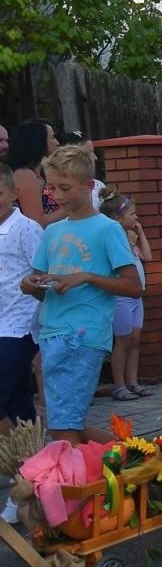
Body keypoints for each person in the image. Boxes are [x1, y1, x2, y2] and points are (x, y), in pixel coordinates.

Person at [20, 145, 140, 442]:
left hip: (84, 334)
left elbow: (133, 286)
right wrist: (32, 285)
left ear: (88, 186)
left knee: (64, 424)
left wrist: (85, 277)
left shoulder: (107, 229)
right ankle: (135, 457)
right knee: (62, 422)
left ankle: (78, 481)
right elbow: (42, 286)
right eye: (51, 188)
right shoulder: (52, 232)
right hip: (52, 332)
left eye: (65, 187)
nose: (57, 195)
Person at [0, 164, 43, 430]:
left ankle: (13, 459)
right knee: (18, 397)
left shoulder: (25, 227)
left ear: (14, 193)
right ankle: (31, 457)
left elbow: (42, 271)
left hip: (20, 325)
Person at [99, 190, 151, 402]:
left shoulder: (131, 237)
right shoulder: (115, 239)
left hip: (137, 298)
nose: (136, 218)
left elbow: (147, 256)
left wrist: (140, 234)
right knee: (123, 341)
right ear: (117, 219)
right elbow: (120, 262)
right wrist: (130, 242)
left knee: (135, 340)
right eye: (132, 214)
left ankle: (133, 381)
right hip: (121, 298)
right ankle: (119, 384)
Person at [9, 120, 58, 226]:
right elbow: (36, 221)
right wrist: (71, 208)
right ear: (38, 141)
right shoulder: (25, 175)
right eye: (53, 137)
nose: (57, 143)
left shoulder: (41, 173)